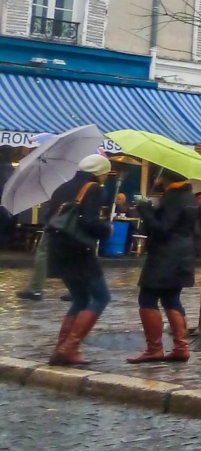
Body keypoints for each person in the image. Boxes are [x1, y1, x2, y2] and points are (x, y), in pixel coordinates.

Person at [45, 155, 114, 366]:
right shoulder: (92, 188)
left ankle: (61, 347)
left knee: (80, 298)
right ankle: (69, 348)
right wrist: (106, 229)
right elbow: (89, 221)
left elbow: (48, 218)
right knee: (101, 296)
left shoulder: (62, 187)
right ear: (100, 171)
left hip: (57, 248)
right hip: (78, 250)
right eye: (105, 173)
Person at [128, 175, 200, 363]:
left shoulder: (174, 198)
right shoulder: (189, 196)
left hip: (165, 256)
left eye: (161, 175)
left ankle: (154, 349)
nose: (158, 178)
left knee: (147, 298)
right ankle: (181, 347)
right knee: (171, 298)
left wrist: (144, 210)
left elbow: (162, 229)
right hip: (183, 254)